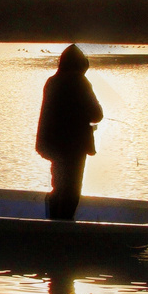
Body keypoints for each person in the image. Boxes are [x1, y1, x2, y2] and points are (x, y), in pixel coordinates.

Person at [35, 44, 102, 220]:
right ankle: (63, 227)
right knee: (71, 190)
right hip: (73, 146)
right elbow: (97, 114)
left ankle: (54, 224)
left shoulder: (52, 81)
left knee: (58, 186)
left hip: (51, 144)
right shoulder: (79, 81)